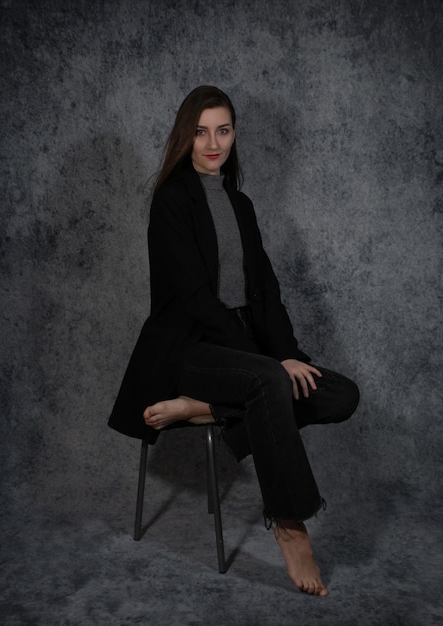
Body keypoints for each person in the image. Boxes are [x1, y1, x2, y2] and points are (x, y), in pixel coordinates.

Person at [109, 85, 359, 596]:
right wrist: (267, 363)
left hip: (240, 345)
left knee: (338, 393)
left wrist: (286, 354)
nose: (212, 142)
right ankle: (290, 524)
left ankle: (205, 408)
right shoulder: (170, 201)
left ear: (234, 134)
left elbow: (265, 292)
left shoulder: (240, 204)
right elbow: (198, 301)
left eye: (222, 130)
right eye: (200, 132)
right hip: (187, 346)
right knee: (268, 380)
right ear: (186, 135)